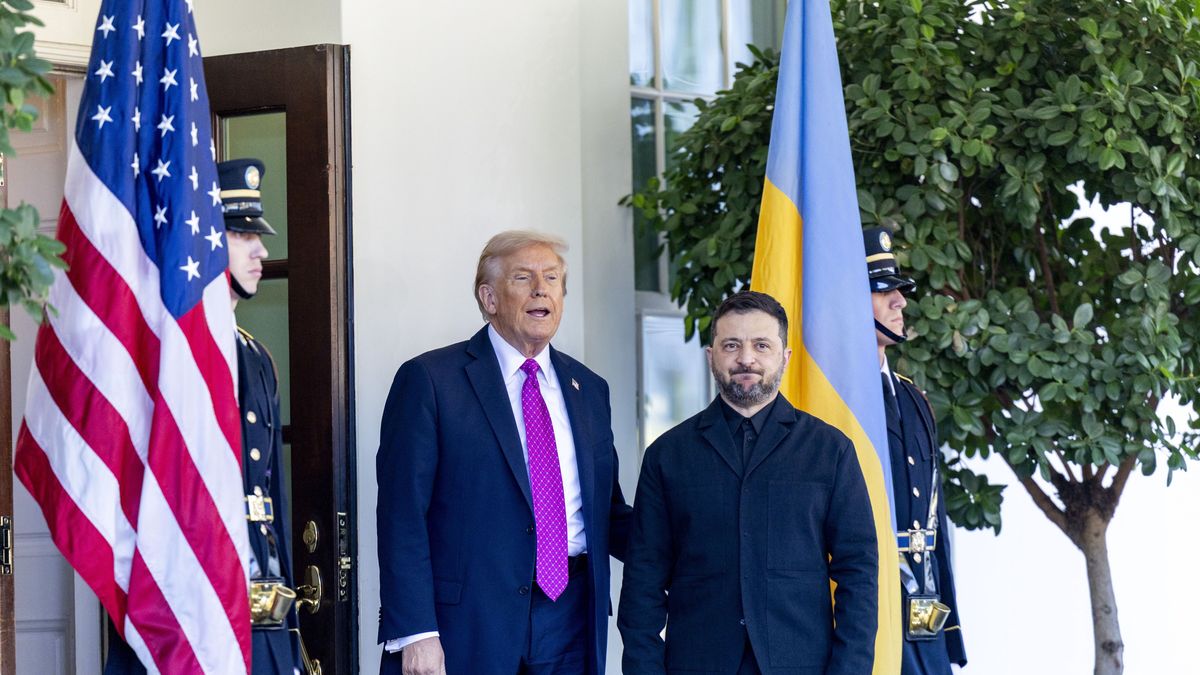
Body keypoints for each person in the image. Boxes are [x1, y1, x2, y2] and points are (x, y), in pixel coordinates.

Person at [376, 230, 632, 675]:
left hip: (571, 618)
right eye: (523, 277)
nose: (541, 289)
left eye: (552, 279)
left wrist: (693, 542)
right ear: (489, 298)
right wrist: (416, 633)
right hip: (469, 624)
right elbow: (402, 515)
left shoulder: (589, 388)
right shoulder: (431, 380)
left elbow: (606, 511)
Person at [103, 160, 304, 675]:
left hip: (258, 618)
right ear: (205, 241)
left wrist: (290, 633)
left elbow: (269, 498)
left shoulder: (254, 356)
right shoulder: (164, 357)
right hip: (186, 614)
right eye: (241, 234)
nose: (261, 250)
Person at [618, 290, 878, 675]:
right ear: (711, 356)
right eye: (731, 345)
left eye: (761, 345)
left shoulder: (831, 451)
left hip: (803, 665)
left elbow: (858, 570)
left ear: (784, 357)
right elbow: (643, 578)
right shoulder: (668, 455)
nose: (746, 359)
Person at [864, 226, 967, 675]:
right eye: (883, 291)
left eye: (899, 291)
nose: (900, 301)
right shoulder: (841, 403)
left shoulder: (913, 399)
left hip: (923, 604)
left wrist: (948, 629)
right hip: (869, 604)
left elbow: (934, 523)